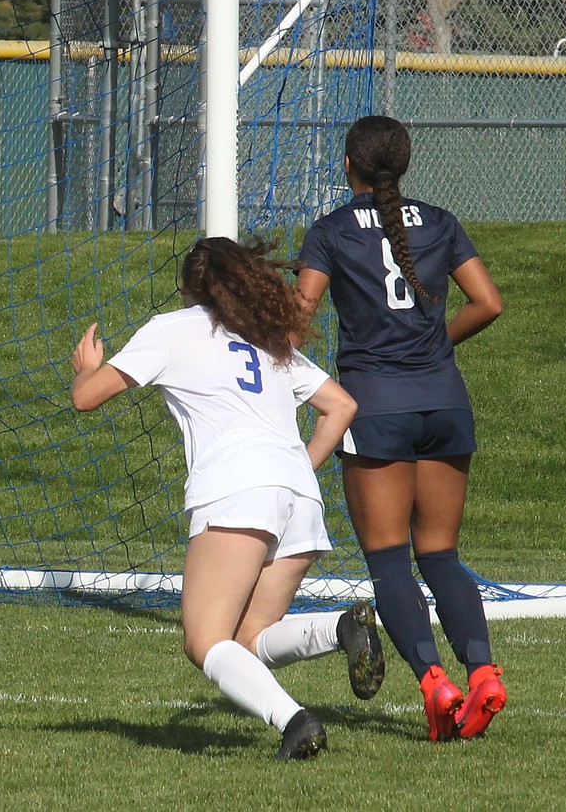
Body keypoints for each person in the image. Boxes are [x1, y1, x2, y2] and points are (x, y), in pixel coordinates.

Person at [71, 235, 381, 761]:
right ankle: (340, 626)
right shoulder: (267, 340)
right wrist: (293, 471)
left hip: (238, 488)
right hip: (297, 495)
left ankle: (296, 722)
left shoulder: (172, 329)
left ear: (190, 288)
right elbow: (342, 407)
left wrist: (86, 367)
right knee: (248, 637)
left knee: (204, 641)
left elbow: (86, 398)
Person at [297, 115, 505, 741]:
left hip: (376, 405)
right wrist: (431, 348)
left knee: (388, 560)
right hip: (445, 400)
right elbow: (488, 302)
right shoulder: (440, 221)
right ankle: (486, 675)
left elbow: (301, 313)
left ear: (347, 165)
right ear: (405, 165)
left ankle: (435, 684)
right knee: (440, 553)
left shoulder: (330, 232)